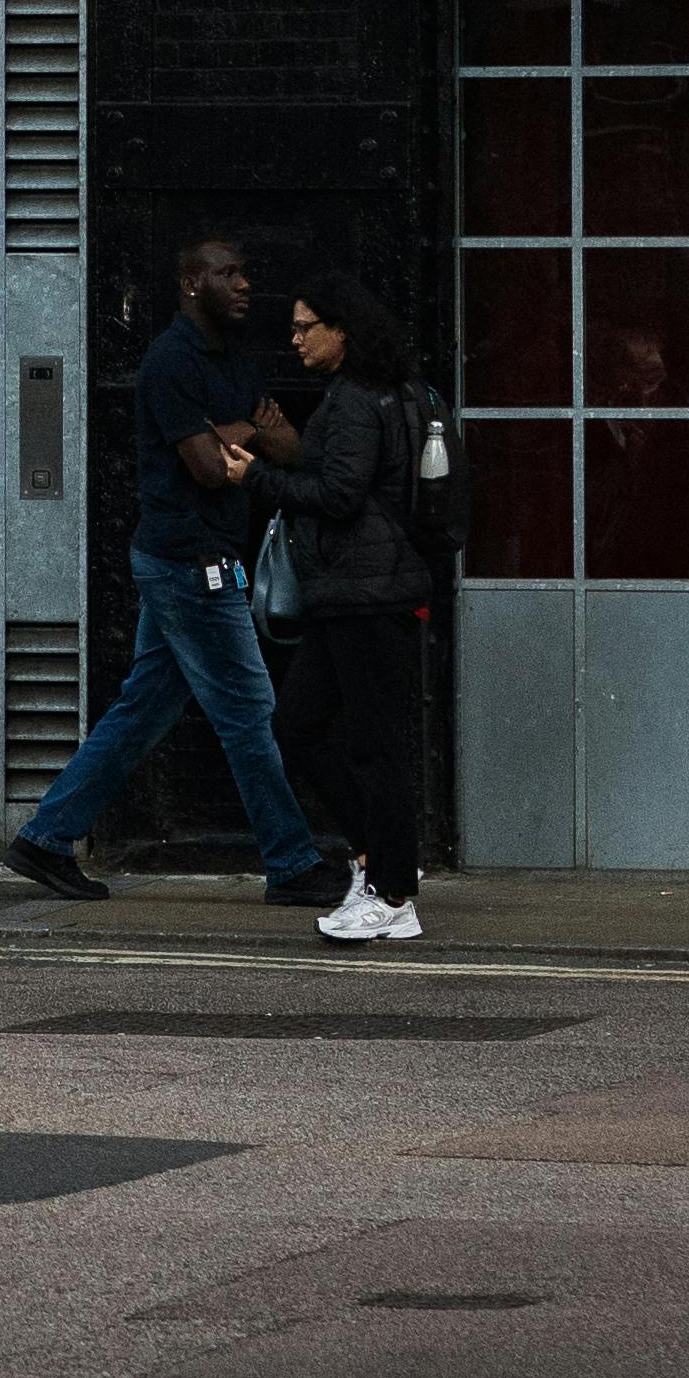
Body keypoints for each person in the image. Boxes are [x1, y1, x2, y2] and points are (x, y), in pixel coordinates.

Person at [5, 234, 343, 907]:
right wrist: (249, 430)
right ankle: (292, 862)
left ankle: (46, 837)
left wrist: (236, 430)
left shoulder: (237, 359)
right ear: (191, 282)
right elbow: (210, 469)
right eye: (228, 272)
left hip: (199, 556)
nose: (243, 283)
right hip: (189, 561)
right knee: (251, 713)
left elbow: (292, 448)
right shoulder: (169, 363)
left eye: (245, 272)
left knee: (145, 710)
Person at [259, 272, 431, 946]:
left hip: (368, 593)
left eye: (307, 327)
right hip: (353, 593)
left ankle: (394, 897)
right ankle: (376, 859)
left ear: (343, 330)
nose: (295, 338)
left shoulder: (359, 396)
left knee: (376, 747)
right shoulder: (384, 391)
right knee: (296, 724)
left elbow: (340, 495)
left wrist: (258, 478)